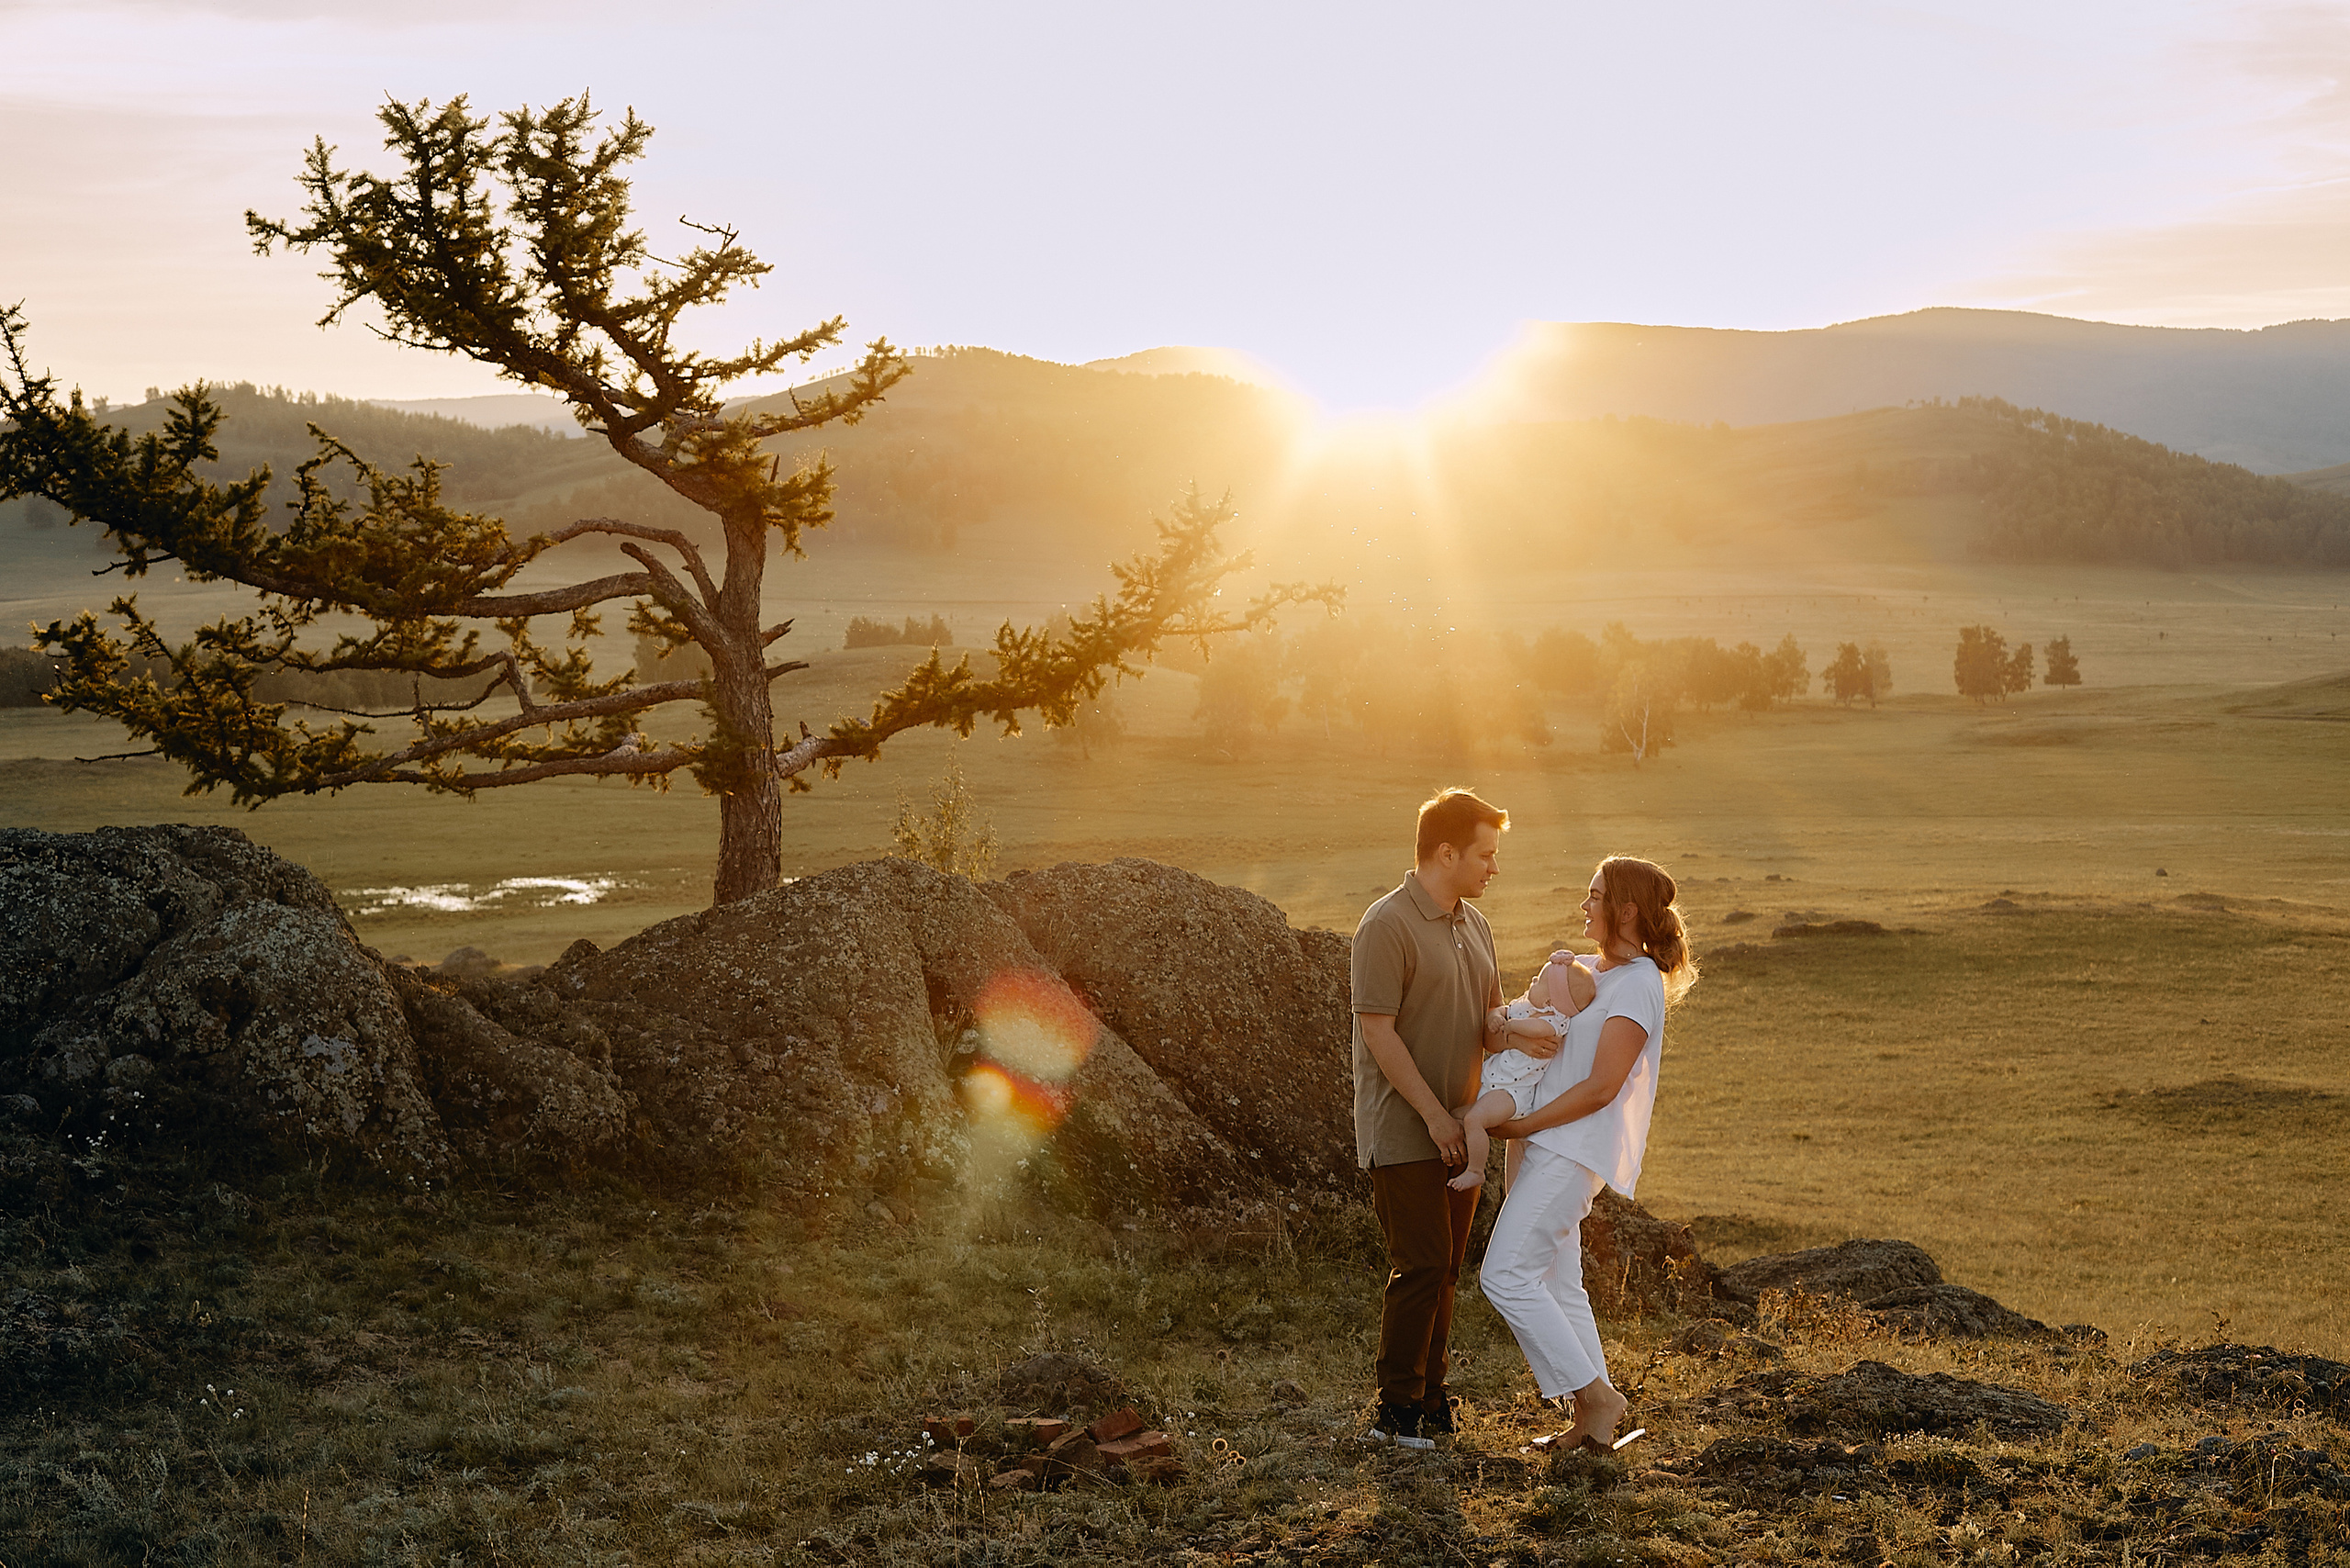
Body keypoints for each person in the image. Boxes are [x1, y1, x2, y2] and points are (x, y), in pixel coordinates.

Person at [1350, 788, 1553, 1449]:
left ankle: (1432, 1400)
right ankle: (1394, 1413)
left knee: (1446, 1269)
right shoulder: (1386, 926)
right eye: (1486, 855)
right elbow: (1379, 1034)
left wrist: (1523, 1033)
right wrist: (1437, 1118)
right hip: (1407, 1130)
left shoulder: (1476, 924)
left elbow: (1487, 1023)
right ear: (1445, 853)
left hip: (1463, 1130)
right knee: (1421, 1265)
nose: (1495, 868)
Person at [1478, 856, 1697, 1451]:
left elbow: (1602, 1086)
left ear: (1625, 910)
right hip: (1540, 1144)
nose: (1583, 905)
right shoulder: (1593, 975)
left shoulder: (1639, 984)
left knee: (1504, 1276)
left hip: (1569, 1150)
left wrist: (1524, 1121)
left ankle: (1597, 1397)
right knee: (1556, 1280)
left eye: (1594, 896)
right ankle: (1592, 1423)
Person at [1448, 954, 1595, 1193]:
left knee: (1475, 1119)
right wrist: (1496, 1018)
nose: (1533, 980)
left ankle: (1476, 1171)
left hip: (1512, 1094)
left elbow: (1536, 1029)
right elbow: (1501, 1010)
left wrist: (1512, 1027)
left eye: (1539, 981)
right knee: (1457, 1116)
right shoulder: (1524, 1006)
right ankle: (1459, 1154)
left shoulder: (1554, 1022)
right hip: (1493, 1085)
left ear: (1550, 1001)